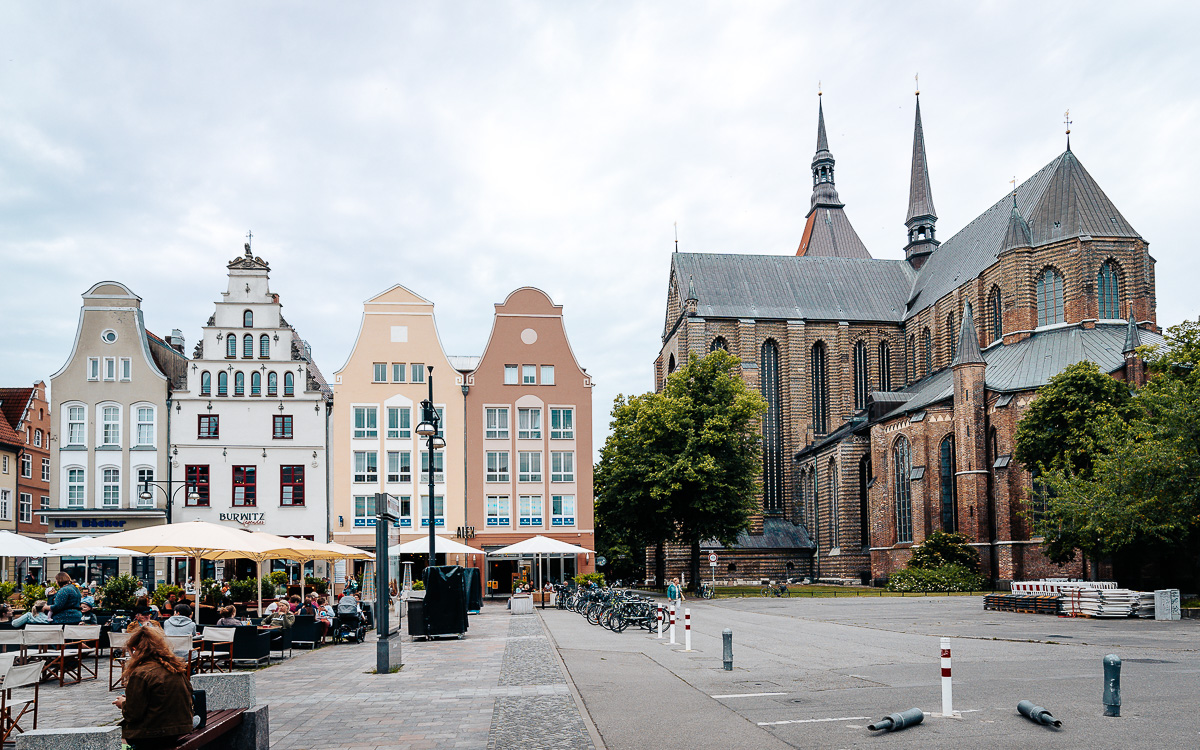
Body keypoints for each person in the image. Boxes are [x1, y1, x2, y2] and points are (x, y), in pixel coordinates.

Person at [114, 625, 194, 749]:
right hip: (179, 728)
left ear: (135, 650)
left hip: (154, 734)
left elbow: (133, 714)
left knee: (117, 735)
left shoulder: (140, 673)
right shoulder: (173, 667)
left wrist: (123, 703)